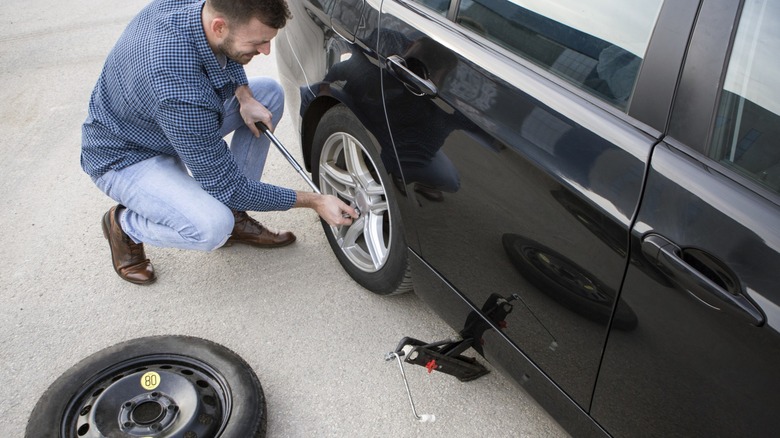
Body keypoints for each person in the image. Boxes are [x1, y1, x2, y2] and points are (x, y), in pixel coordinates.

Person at [81, 0, 357, 285]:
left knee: (267, 94)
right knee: (212, 227)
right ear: (219, 26)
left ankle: (235, 216)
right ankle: (125, 226)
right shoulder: (179, 88)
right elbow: (227, 186)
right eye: (259, 42)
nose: (266, 50)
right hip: (126, 155)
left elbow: (227, 51)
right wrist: (315, 200)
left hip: (162, 121)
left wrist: (244, 95)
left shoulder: (203, 9)